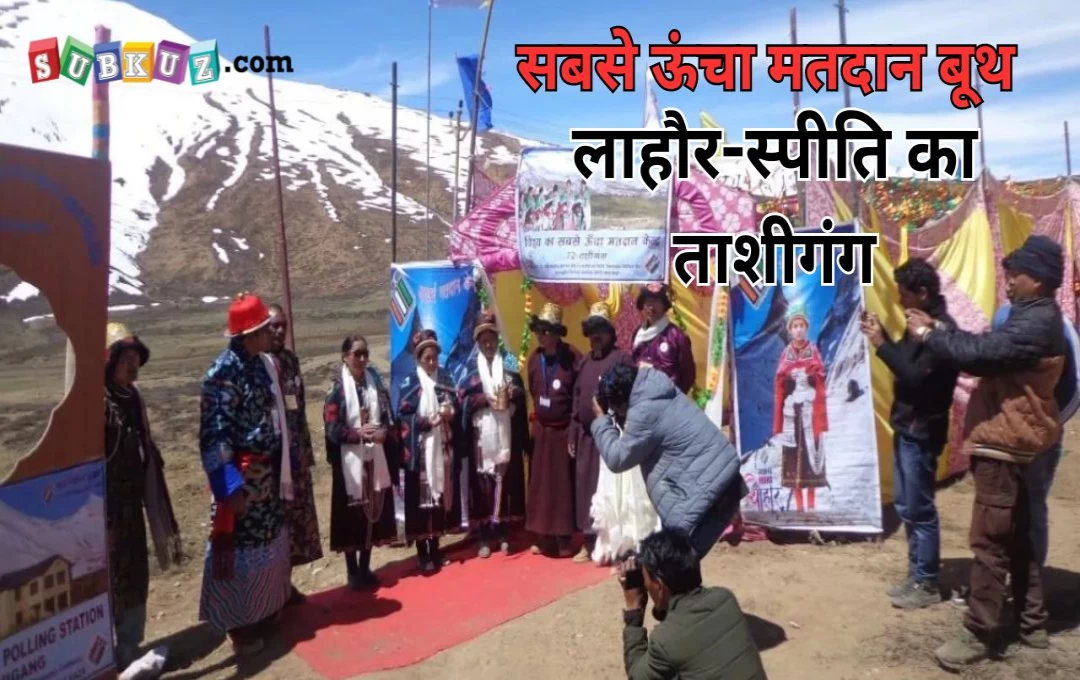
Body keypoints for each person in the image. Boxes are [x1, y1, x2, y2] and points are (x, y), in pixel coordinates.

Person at [906, 236, 1066, 670]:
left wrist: (930, 335)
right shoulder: (1032, 317)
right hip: (1015, 441)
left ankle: (978, 632)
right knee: (1019, 535)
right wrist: (941, 330)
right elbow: (981, 346)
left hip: (1006, 445)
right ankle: (1032, 625)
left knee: (991, 539)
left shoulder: (1034, 323)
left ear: (1038, 279)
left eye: (1015, 274)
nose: (1008, 281)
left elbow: (979, 355)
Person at [198, 293, 294, 655]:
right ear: (250, 334)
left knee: (266, 543)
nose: (272, 333)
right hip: (240, 477)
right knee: (239, 549)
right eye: (266, 329)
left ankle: (264, 611)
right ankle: (239, 626)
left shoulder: (260, 365)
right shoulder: (221, 375)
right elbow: (214, 435)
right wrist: (228, 488)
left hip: (265, 473)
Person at [860, 258, 959, 610]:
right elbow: (906, 362)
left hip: (922, 430)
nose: (901, 302)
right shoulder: (917, 323)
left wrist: (883, 346)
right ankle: (917, 575)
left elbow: (916, 377)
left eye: (904, 295)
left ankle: (927, 582)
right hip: (907, 426)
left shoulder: (941, 331)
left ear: (922, 292)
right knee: (906, 504)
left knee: (920, 508)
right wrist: (883, 337)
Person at [590, 363, 746, 559]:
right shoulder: (655, 389)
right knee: (678, 565)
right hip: (724, 482)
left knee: (677, 569)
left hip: (708, 498)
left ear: (621, 401)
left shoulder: (644, 411)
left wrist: (601, 420)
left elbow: (617, 459)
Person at [103, 322, 181, 677]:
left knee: (135, 572)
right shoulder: (96, 402)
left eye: (136, 357)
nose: (132, 365)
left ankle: (130, 645)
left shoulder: (133, 398)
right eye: (125, 357)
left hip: (132, 503)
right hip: (104, 508)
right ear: (109, 361)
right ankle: (107, 651)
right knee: (110, 576)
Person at [991, 300, 1080, 570]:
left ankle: (1029, 582)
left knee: (1030, 507)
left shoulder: (1057, 327)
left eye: (1017, 276)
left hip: (1040, 434)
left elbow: (1074, 383)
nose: (1010, 284)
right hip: (1015, 431)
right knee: (1009, 507)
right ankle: (1018, 579)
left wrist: (1050, 425)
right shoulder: (1007, 315)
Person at [617, 528, 767, 680]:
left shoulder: (665, 641)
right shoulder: (725, 599)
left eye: (646, 581)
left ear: (660, 586)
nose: (646, 585)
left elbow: (637, 675)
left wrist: (634, 610)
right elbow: (682, 621)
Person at [323, 335, 399, 589]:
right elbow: (332, 429)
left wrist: (383, 433)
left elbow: (387, 415)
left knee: (370, 515)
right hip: (348, 465)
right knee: (351, 516)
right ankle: (352, 571)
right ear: (345, 356)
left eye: (365, 353)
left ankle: (366, 567)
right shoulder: (337, 389)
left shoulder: (374, 383)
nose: (363, 359)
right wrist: (356, 435)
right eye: (357, 354)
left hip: (373, 458)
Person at [570, 301, 638, 564]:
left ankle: (616, 544)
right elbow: (577, 400)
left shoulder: (622, 359)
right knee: (586, 490)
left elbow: (631, 395)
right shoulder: (584, 363)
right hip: (587, 439)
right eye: (591, 330)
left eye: (600, 329)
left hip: (613, 436)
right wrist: (573, 431)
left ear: (610, 332)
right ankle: (589, 542)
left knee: (613, 491)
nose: (595, 335)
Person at [458, 310, 529, 558]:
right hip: (482, 438)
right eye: (483, 340)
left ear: (497, 339)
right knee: (483, 484)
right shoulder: (470, 368)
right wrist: (482, 399)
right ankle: (486, 533)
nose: (488, 344)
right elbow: (462, 400)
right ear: (477, 342)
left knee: (506, 480)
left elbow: (521, 393)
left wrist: (512, 392)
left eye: (492, 339)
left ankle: (503, 531)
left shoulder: (508, 362)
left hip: (506, 432)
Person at [266, 304, 323, 605]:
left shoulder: (290, 360)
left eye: (282, 326)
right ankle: (273, 590)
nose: (278, 331)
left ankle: (286, 585)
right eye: (273, 326)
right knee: (275, 523)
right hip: (273, 460)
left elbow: (298, 409)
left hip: (295, 455)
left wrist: (307, 453)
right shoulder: (259, 363)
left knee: (295, 522)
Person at [397, 329, 464, 573]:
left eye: (435, 357)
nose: (433, 362)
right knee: (421, 504)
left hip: (443, 450)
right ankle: (422, 553)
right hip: (421, 454)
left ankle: (435, 547)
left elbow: (456, 405)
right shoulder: (410, 383)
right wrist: (426, 422)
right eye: (428, 358)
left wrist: (451, 413)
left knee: (437, 501)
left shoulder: (445, 377)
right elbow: (403, 417)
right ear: (418, 359)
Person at [526, 303, 582, 558]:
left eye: (546, 330)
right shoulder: (534, 359)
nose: (541, 334)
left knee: (561, 487)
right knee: (540, 486)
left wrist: (573, 429)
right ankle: (542, 535)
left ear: (557, 333)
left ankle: (563, 538)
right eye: (539, 330)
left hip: (563, 431)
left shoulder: (572, 357)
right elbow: (534, 389)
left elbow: (578, 395)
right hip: (542, 430)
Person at [772, 304, 827, 513]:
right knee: (794, 460)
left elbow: (820, 376)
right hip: (792, 418)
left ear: (806, 328)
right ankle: (800, 507)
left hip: (809, 416)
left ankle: (811, 507)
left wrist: (809, 376)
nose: (798, 330)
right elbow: (780, 380)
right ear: (789, 329)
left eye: (801, 325)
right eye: (794, 326)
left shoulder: (812, 351)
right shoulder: (786, 354)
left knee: (810, 461)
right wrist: (789, 378)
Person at [631, 284, 695, 395]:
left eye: (655, 301)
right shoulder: (637, 333)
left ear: (664, 305)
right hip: (641, 400)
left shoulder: (676, 336)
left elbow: (688, 375)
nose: (650, 306)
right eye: (647, 302)